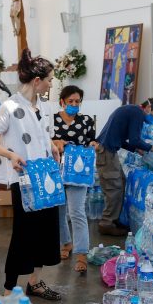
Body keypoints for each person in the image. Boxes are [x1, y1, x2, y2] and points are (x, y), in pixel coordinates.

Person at [0, 48, 62, 300]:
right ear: (37, 80)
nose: (51, 84)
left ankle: (35, 282)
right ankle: (8, 291)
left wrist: (51, 145)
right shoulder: (9, 107)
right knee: (23, 234)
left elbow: (43, 133)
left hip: (46, 176)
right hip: (24, 179)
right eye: (50, 79)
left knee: (44, 232)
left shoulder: (42, 106)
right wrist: (10, 155)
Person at [95, 98, 153, 236]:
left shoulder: (130, 110)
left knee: (121, 182)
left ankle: (114, 219)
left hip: (109, 150)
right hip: (107, 152)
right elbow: (134, 139)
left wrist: (137, 150)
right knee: (114, 188)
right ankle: (106, 223)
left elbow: (122, 140)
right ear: (148, 107)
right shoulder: (137, 113)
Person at [52, 85, 96, 273]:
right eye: (70, 101)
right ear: (62, 102)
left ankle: (81, 254)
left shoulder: (86, 121)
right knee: (59, 212)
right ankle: (66, 243)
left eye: (77, 101)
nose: (74, 104)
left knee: (77, 212)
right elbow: (44, 141)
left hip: (78, 173)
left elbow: (92, 141)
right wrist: (55, 143)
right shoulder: (52, 120)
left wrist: (94, 144)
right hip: (55, 171)